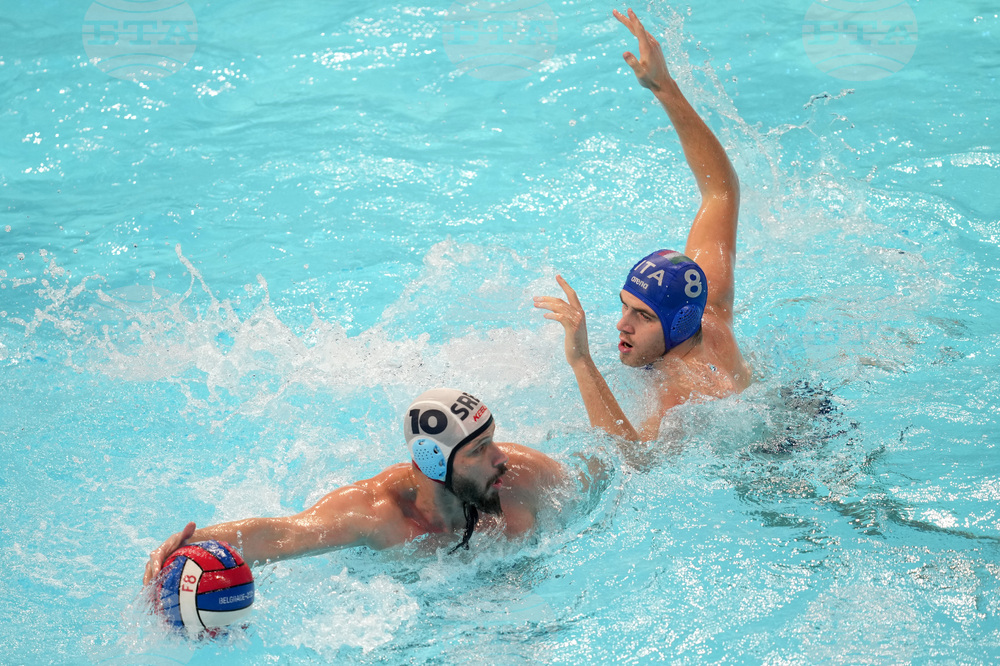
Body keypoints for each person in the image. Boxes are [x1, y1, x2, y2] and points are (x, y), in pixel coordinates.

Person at [533, 8, 752, 444]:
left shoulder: (686, 392)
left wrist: (582, 362)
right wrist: (662, 87)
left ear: (677, 324)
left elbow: (637, 462)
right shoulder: (706, 308)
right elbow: (720, 190)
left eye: (643, 316)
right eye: (626, 305)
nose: (621, 325)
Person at [143, 388, 569, 584]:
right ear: (434, 462)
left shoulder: (526, 476)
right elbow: (287, 533)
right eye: (479, 449)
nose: (502, 459)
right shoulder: (377, 513)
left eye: (492, 440)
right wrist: (187, 546)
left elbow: (604, 479)